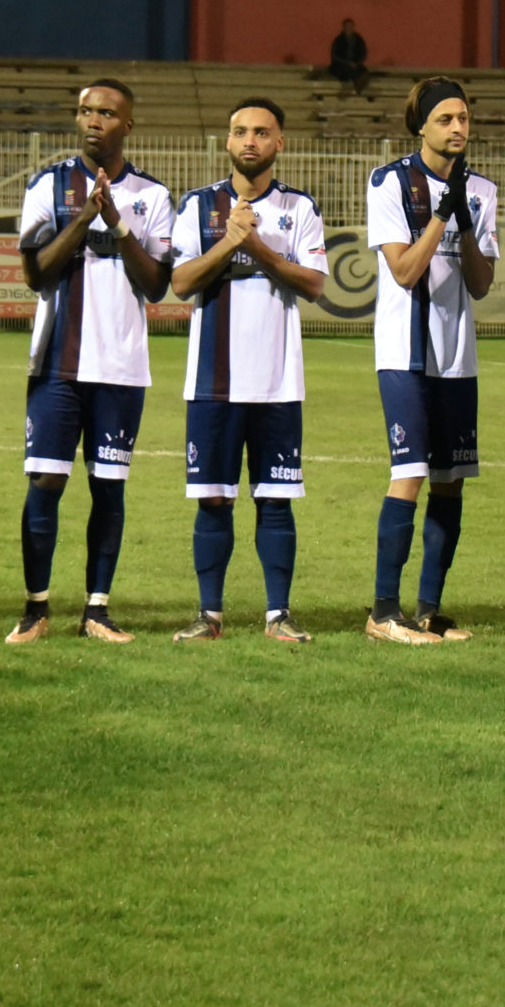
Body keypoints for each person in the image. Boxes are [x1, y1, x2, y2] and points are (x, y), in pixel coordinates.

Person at [7, 79, 176, 646]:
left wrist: (119, 224)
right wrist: (83, 219)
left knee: (109, 488)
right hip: (56, 364)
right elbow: (35, 274)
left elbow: (155, 285)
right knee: (45, 481)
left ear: (128, 124)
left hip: (121, 369)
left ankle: (97, 611)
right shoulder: (47, 186)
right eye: (85, 111)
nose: (93, 120)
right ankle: (35, 608)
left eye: (106, 112)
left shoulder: (153, 196)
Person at [169, 97, 327, 643]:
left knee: (275, 497)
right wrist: (230, 242)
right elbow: (181, 281)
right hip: (211, 381)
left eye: (261, 132)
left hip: (277, 380)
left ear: (279, 142)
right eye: (240, 131)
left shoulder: (299, 208)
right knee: (213, 497)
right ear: (228, 141)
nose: (250, 141)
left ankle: (277, 615)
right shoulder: (197, 206)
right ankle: (209, 615)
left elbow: (315, 283)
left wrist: (254, 244)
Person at [363, 78, 496, 644]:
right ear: (421, 125)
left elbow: (482, 284)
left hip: (457, 358)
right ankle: (383, 611)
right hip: (405, 354)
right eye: (445, 119)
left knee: (450, 481)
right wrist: (442, 214)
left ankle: (428, 610)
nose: (458, 127)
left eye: (463, 117)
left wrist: (464, 220)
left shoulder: (482, 190)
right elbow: (403, 271)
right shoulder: (389, 182)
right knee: (411, 473)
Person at [329, 18, 370, 96]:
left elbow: (363, 54)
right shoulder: (338, 40)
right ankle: (354, 87)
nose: (349, 28)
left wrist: (357, 63)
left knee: (363, 72)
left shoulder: (359, 40)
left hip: (356, 65)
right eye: (347, 26)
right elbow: (334, 56)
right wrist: (347, 63)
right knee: (346, 72)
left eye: (351, 26)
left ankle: (356, 88)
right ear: (343, 28)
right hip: (341, 65)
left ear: (354, 27)